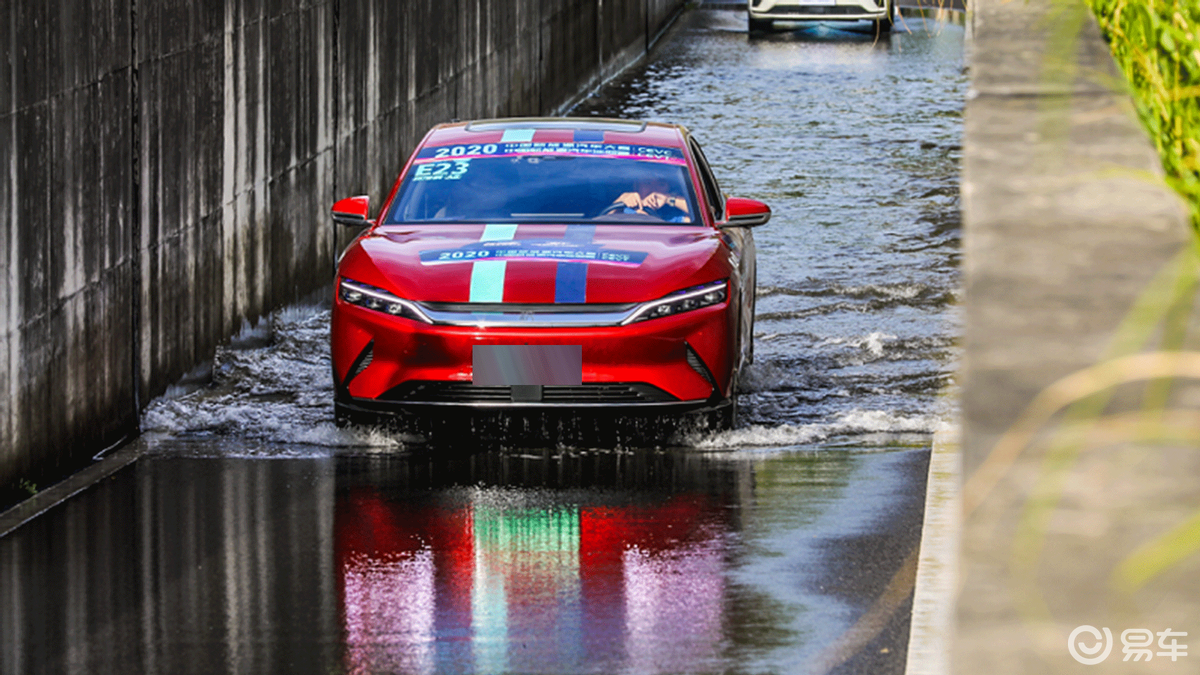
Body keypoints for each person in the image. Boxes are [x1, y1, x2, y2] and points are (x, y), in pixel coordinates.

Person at [607, 175, 691, 222]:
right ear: (636, 186)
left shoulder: (670, 216)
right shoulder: (621, 212)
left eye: (661, 184)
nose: (654, 189)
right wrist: (620, 201)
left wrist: (669, 199)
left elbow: (696, 214)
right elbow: (601, 230)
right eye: (647, 183)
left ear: (668, 189)